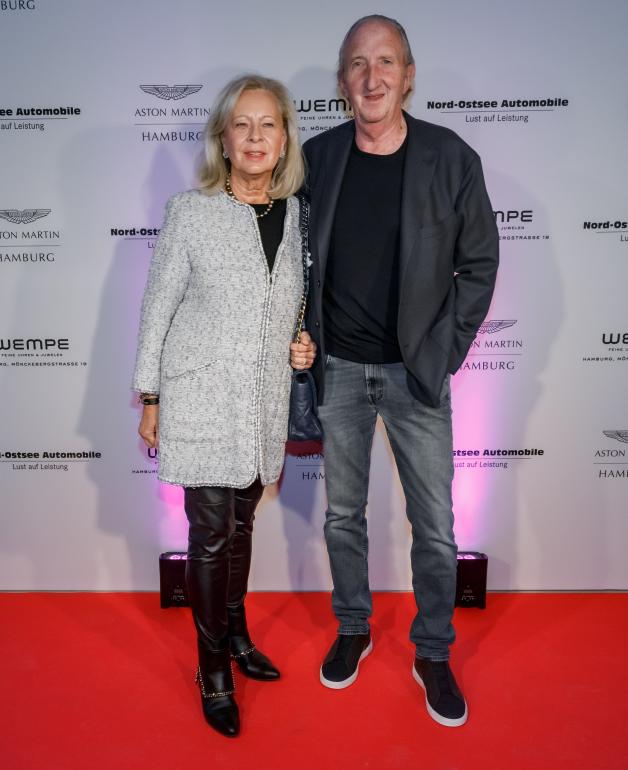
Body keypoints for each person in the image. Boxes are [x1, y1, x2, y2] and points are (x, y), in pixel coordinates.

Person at [290, 15, 499, 727]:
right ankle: (353, 627)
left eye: (386, 62)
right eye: (357, 64)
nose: (372, 77)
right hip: (340, 370)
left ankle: (432, 649)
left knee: (435, 526)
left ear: (408, 76)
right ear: (343, 81)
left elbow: (480, 264)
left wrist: (442, 353)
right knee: (342, 516)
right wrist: (300, 337)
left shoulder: (450, 158)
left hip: (416, 376)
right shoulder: (316, 159)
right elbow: (290, 261)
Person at [132, 74, 308, 737]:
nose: (257, 137)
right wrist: (151, 393)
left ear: (284, 136)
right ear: (224, 139)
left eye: (269, 124)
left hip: (261, 399)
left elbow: (289, 307)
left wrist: (302, 344)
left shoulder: (294, 216)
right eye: (243, 125)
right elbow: (157, 308)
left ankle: (235, 635)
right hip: (200, 393)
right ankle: (212, 670)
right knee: (209, 537)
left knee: (242, 525)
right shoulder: (190, 211)